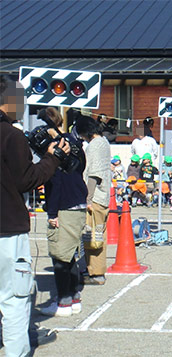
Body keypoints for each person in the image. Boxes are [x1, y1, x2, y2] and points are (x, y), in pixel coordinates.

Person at [1, 76, 67, 355]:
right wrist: (53, 158)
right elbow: (26, 179)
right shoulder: (11, 135)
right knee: (14, 301)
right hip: (7, 229)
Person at [38, 108, 86, 318]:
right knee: (71, 255)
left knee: (59, 257)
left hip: (63, 205)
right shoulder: (73, 142)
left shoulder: (54, 148)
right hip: (78, 201)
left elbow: (55, 183)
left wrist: (52, 213)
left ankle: (64, 301)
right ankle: (74, 297)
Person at [75, 115, 112, 286]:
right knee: (97, 234)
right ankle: (93, 270)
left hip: (95, 196)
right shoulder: (103, 142)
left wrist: (87, 198)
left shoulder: (95, 146)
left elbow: (94, 175)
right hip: (102, 195)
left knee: (93, 236)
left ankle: (96, 274)